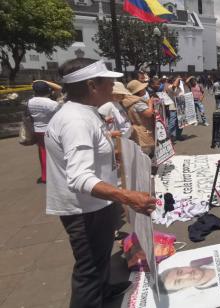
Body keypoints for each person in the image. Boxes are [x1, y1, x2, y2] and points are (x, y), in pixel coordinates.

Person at [45, 58, 156, 308]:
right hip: (85, 209)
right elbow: (79, 177)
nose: (114, 86)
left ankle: (105, 290)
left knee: (100, 257)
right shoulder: (77, 120)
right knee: (89, 271)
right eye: (110, 81)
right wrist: (127, 197)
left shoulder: (84, 113)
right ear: (93, 86)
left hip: (97, 204)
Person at [28, 80, 61, 184]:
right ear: (48, 91)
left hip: (37, 129)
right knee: (54, 153)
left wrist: (38, 82)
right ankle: (54, 176)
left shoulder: (30, 101)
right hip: (50, 130)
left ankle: (45, 175)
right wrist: (43, 80)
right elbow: (59, 88)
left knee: (42, 153)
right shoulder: (52, 103)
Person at [125, 80, 156, 155]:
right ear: (139, 90)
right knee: (145, 154)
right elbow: (148, 113)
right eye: (142, 88)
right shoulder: (137, 103)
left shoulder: (131, 101)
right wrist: (150, 103)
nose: (144, 89)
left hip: (137, 129)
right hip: (143, 131)